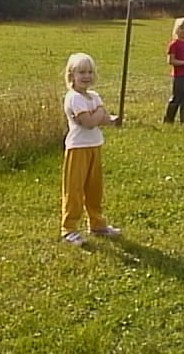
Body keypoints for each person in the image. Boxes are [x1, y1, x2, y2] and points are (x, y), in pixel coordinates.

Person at [61, 52, 121, 246]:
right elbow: (88, 122)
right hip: (78, 148)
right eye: (81, 72)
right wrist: (100, 113)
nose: (86, 76)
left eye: (89, 72)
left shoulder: (94, 96)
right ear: (72, 75)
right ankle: (69, 228)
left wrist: (111, 120)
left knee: (94, 188)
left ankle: (97, 224)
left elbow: (100, 119)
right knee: (75, 189)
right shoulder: (74, 98)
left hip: (94, 146)